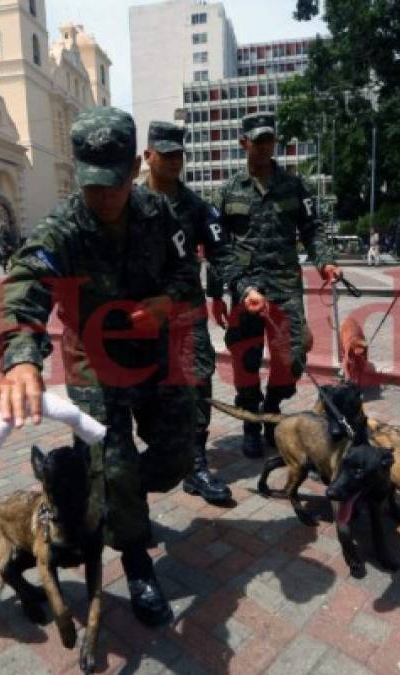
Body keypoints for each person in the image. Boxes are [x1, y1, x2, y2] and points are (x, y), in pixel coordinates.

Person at [0, 107, 199, 627]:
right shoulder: (64, 227)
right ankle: (135, 560)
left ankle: (108, 491)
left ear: (132, 170)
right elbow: (23, 284)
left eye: (113, 183)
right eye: (91, 185)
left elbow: (186, 271)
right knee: (118, 463)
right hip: (93, 363)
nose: (103, 197)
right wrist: (20, 359)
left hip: (153, 355)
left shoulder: (159, 213)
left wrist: (164, 304)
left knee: (177, 455)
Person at [214, 112, 341, 457]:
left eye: (269, 140)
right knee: (246, 358)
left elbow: (312, 229)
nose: (265, 147)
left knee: (294, 354)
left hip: (284, 285)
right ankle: (251, 423)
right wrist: (217, 294)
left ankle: (271, 408)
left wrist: (324, 260)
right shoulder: (227, 191)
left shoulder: (294, 185)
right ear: (243, 143)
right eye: (258, 141)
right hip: (244, 287)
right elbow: (217, 246)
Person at [137, 121, 233, 505]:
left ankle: (196, 464)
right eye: (167, 154)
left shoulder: (195, 207)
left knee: (198, 384)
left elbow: (221, 253)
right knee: (144, 390)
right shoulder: (129, 203)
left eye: (180, 154)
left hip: (187, 315)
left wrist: (232, 289)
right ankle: (151, 462)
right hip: (143, 320)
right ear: (148, 156)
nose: (175, 161)